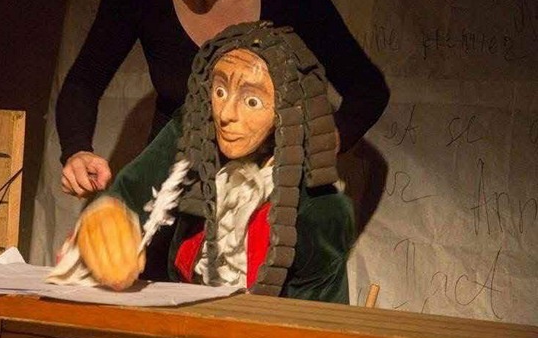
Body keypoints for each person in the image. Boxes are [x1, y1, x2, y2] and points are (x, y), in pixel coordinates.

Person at [55, 0, 389, 278]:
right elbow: (83, 81)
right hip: (171, 200)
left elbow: (367, 89)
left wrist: (322, 141)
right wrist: (76, 149)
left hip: (264, 214)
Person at [50, 22, 354, 303]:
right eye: (220, 92)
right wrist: (107, 219)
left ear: (287, 111)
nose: (226, 114)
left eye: (251, 101)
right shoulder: (194, 133)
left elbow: (318, 319)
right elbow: (130, 193)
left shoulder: (320, 208)